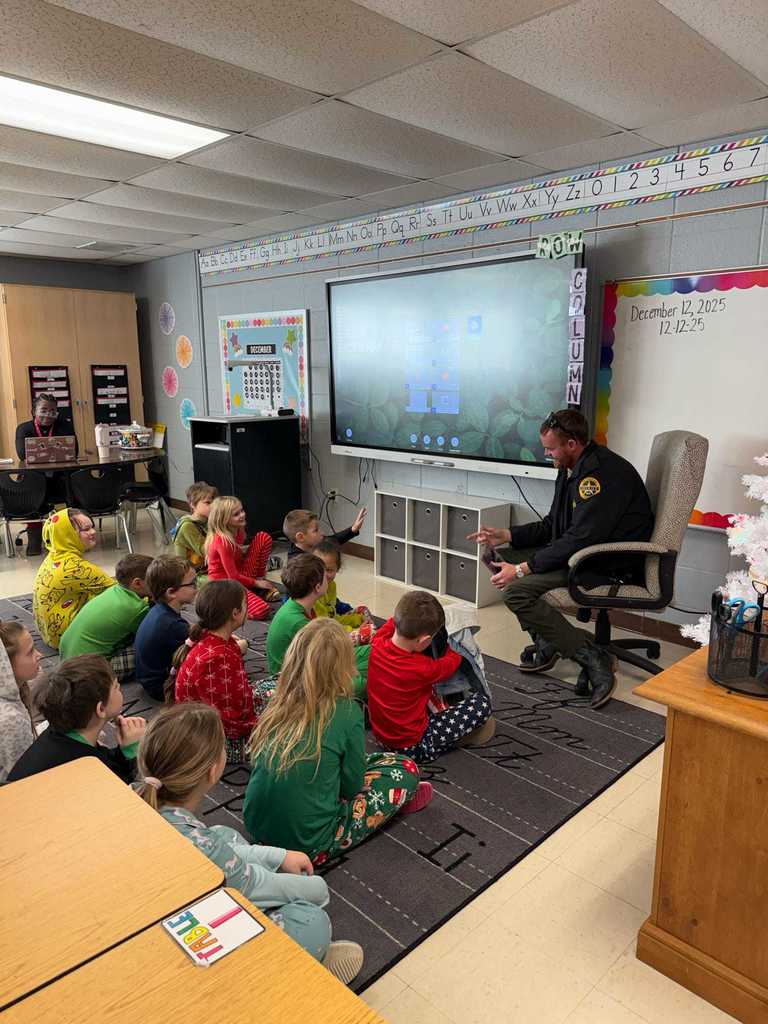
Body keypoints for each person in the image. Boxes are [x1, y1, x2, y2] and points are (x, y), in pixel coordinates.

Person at [135, 703, 365, 984]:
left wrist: (278, 856)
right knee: (312, 921)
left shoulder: (141, 800)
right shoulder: (203, 847)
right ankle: (298, 974)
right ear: (213, 771)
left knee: (223, 834)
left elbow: (226, 856)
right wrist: (316, 887)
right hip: (194, 941)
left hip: (171, 906)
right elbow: (258, 884)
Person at [469, 409, 654, 709]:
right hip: (578, 553)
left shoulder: (599, 476)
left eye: (551, 448)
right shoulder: (569, 467)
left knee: (516, 591)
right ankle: (549, 641)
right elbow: (553, 525)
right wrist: (507, 534)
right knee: (496, 557)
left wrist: (523, 568)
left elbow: (580, 539)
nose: (547, 454)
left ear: (572, 444)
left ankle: (593, 658)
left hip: (604, 563)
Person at [245, 618, 430, 865]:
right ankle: (393, 802)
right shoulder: (347, 711)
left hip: (256, 826)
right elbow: (352, 788)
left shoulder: (277, 701)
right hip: (309, 842)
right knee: (404, 768)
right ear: (344, 668)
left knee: (346, 759)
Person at [368, 591, 495, 761]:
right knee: (482, 703)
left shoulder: (378, 641)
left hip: (381, 737)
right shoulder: (422, 668)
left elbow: (394, 621)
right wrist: (456, 644)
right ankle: (454, 739)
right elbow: (453, 660)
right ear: (424, 640)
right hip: (413, 747)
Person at [170, 580, 274, 764]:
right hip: (217, 744)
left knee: (282, 686)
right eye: (245, 604)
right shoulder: (219, 658)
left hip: (210, 726)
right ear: (235, 613)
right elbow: (232, 722)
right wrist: (267, 720)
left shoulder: (208, 639)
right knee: (291, 707)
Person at [7, 654, 145, 784]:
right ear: (101, 709)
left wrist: (123, 752)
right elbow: (126, 789)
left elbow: (107, 762)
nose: (120, 688)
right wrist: (134, 751)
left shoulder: (59, 735)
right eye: (116, 687)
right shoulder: (85, 766)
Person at [266, 553, 369, 696]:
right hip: (294, 680)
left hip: (309, 663)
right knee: (363, 684)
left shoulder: (301, 605)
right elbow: (324, 655)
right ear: (318, 587)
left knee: (371, 651)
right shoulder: (298, 621)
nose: (329, 579)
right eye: (325, 575)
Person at [59, 554, 153, 681]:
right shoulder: (135, 608)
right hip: (88, 673)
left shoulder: (113, 590)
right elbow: (151, 634)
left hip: (67, 660)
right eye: (154, 580)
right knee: (153, 647)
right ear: (137, 583)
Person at [33, 508, 114, 649]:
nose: (93, 532)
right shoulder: (77, 568)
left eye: (92, 527)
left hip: (48, 633)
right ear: (68, 534)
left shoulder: (53, 556)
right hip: (67, 639)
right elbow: (123, 593)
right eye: (86, 529)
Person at [15, 393, 79, 556]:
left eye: (52, 411)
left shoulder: (65, 426)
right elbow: (22, 454)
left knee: (74, 482)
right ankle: (35, 535)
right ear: (34, 411)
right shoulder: (24, 428)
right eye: (43, 410)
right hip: (35, 477)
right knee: (33, 485)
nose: (48, 414)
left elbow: (74, 451)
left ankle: (71, 535)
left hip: (59, 476)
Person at [205, 496, 279, 620]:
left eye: (242, 510)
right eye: (236, 514)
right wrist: (256, 583)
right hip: (225, 584)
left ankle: (256, 587)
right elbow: (232, 577)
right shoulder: (222, 541)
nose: (242, 515)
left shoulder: (238, 530)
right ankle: (227, 604)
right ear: (224, 519)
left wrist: (257, 577)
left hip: (239, 575)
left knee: (263, 537)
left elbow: (238, 558)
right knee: (261, 610)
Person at [134, 556, 196, 701]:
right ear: (171, 592)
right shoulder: (173, 626)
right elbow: (201, 654)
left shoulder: (159, 611)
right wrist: (237, 647)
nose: (196, 588)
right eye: (192, 583)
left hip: (149, 681)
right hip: (164, 689)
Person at [0, 622, 41, 784]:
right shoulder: (10, 719)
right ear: (6, 664)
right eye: (30, 652)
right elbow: (24, 779)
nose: (39, 655)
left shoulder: (14, 691)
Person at [314, 539, 374, 643]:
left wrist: (358, 619)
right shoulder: (314, 591)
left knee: (363, 611)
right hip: (325, 634)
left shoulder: (332, 585)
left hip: (333, 625)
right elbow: (324, 625)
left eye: (329, 570)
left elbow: (333, 616)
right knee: (371, 633)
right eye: (320, 569)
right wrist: (354, 630)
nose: (324, 575)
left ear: (337, 569)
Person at [283, 507, 367, 560]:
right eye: (316, 530)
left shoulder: (314, 544)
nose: (322, 533)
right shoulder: (297, 564)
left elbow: (334, 540)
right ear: (301, 537)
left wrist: (353, 529)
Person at [173, 481, 218, 580]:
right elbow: (206, 552)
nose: (213, 506)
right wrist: (216, 526)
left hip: (205, 567)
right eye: (208, 503)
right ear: (193, 504)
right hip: (191, 576)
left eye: (214, 502)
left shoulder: (205, 521)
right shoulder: (187, 526)